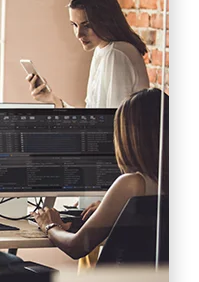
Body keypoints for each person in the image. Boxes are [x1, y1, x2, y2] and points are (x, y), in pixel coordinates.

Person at [27, 0, 151, 248]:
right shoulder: (103, 52)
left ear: (105, 19)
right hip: (110, 187)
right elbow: (92, 122)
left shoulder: (117, 54)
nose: (79, 34)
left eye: (86, 25)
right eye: (74, 25)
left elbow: (116, 136)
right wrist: (53, 100)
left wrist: (109, 201)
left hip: (117, 187)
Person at [31, 87, 167, 260]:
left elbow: (76, 247)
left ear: (130, 136)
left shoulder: (132, 184)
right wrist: (111, 206)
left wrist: (49, 225)